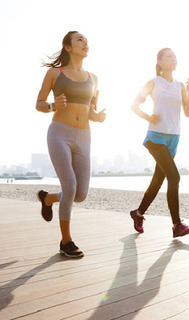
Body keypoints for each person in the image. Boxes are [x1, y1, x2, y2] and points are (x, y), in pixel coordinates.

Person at [36, 31, 106, 258]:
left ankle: (48, 198)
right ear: (68, 47)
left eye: (86, 39)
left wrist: (97, 117)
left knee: (80, 193)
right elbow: (39, 103)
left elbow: (91, 111)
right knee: (70, 186)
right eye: (79, 40)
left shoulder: (93, 78)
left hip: (84, 136)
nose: (85, 42)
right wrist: (52, 106)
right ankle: (66, 241)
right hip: (59, 133)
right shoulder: (55, 73)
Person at [130, 48, 189, 238]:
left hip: (174, 137)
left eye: (175, 56)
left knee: (158, 180)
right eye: (169, 56)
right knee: (174, 177)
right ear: (159, 62)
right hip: (156, 136)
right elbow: (134, 105)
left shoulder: (180, 86)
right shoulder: (153, 83)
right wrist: (148, 117)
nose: (174, 59)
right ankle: (177, 225)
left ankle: (138, 213)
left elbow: (188, 112)